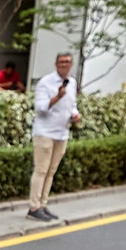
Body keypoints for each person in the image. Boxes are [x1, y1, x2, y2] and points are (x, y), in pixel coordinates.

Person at [27, 52, 80, 221]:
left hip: (62, 132)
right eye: (61, 62)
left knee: (51, 172)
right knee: (41, 170)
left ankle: (43, 204)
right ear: (56, 64)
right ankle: (34, 207)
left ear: (71, 64)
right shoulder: (46, 82)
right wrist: (57, 97)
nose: (64, 65)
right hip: (45, 132)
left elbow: (73, 105)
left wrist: (75, 114)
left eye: (67, 62)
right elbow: (40, 108)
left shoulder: (72, 82)